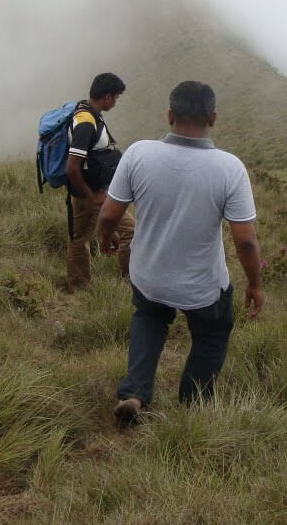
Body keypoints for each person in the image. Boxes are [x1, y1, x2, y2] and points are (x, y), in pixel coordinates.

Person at [97, 80, 264, 426]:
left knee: (149, 318)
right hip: (202, 285)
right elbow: (245, 241)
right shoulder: (230, 168)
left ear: (170, 115)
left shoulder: (139, 153)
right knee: (213, 333)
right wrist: (255, 284)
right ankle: (193, 402)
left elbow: (110, 214)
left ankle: (134, 392)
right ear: (213, 118)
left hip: (150, 276)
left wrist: (106, 238)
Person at [65, 72, 135, 292]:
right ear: (107, 97)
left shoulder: (88, 112)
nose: (115, 102)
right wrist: (91, 195)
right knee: (131, 230)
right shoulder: (86, 122)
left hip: (86, 191)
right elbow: (72, 166)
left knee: (79, 236)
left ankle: (79, 285)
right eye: (116, 97)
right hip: (91, 192)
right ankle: (129, 281)